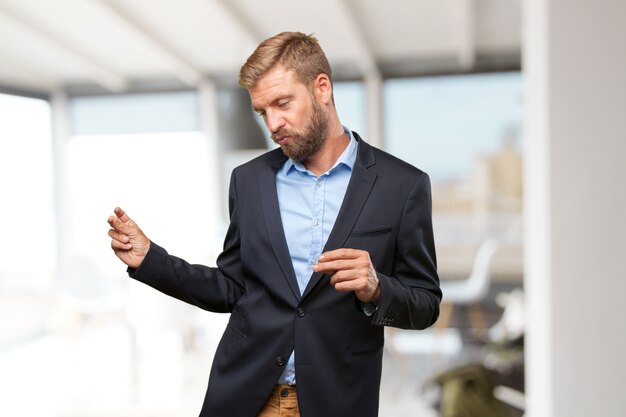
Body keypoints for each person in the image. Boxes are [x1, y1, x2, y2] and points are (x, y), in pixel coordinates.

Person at [107, 31, 441, 417]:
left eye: (282, 103)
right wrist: (150, 259)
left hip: (337, 400)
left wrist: (377, 289)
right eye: (263, 111)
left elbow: (426, 304)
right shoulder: (249, 181)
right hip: (245, 398)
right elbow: (232, 287)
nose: (273, 123)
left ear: (322, 88)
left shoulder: (402, 185)